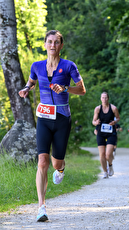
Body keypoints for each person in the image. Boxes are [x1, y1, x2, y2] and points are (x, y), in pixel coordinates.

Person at [18, 30, 86, 222]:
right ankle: (41, 207)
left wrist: (65, 88)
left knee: (56, 163)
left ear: (61, 46)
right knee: (42, 161)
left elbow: (82, 89)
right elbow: (30, 83)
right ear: (45, 44)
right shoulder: (37, 66)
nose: (53, 45)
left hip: (62, 118)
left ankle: (61, 169)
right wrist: (25, 89)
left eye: (56, 42)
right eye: (49, 42)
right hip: (44, 118)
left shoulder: (69, 66)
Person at [92, 92, 120, 179]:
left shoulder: (113, 108)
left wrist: (114, 122)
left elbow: (118, 118)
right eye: (103, 98)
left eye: (106, 98)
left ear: (108, 98)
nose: (104, 99)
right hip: (100, 133)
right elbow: (93, 121)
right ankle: (105, 172)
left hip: (111, 133)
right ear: (101, 99)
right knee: (102, 155)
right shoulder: (97, 109)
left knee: (108, 155)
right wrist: (95, 122)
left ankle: (110, 165)